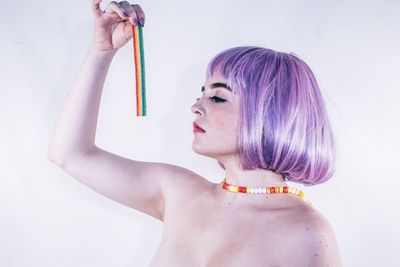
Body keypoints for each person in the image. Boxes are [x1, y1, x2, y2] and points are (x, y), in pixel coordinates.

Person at [48, 0, 342, 266]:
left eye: (217, 97)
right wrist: (101, 53)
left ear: (267, 113)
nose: (195, 107)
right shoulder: (178, 192)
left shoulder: (308, 233)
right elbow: (70, 154)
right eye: (201, 93)